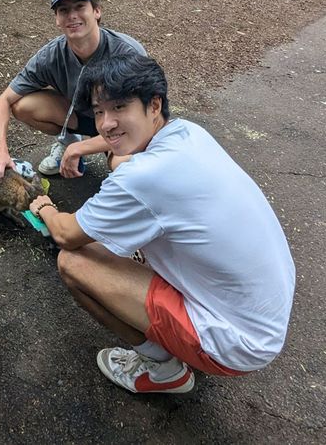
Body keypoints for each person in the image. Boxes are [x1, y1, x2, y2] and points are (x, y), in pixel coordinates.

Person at [28, 54, 295, 394]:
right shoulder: (187, 132)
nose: (106, 123)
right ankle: (167, 328)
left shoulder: (143, 178)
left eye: (120, 107)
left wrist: (46, 207)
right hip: (262, 307)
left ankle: (163, 370)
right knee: (120, 165)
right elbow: (125, 162)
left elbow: (66, 234)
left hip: (236, 342)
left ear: (154, 105)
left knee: (74, 261)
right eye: (98, 111)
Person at [0, 0, 147, 183]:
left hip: (121, 127)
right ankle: (68, 140)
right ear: (57, 19)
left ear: (97, 11)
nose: (72, 16)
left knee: (126, 168)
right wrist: (0, 151)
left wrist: (81, 149)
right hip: (80, 116)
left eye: (80, 6)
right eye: (64, 10)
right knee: (22, 105)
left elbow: (144, 123)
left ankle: (90, 157)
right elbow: (3, 100)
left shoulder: (127, 53)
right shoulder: (51, 55)